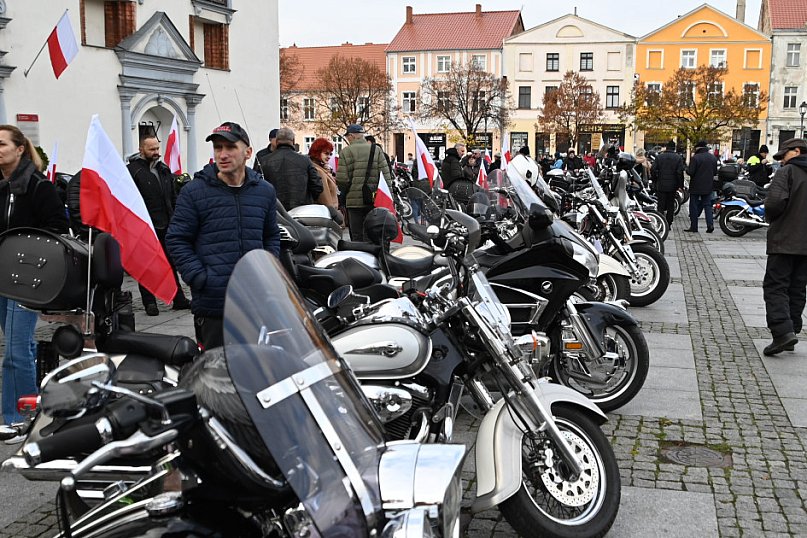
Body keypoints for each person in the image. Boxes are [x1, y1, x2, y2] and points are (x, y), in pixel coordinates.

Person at [166, 122, 280, 350]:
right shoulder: (194, 192)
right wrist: (200, 277)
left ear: (248, 152)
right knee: (216, 367)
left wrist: (266, 269)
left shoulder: (264, 191)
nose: (223, 154)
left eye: (230, 147)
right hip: (214, 304)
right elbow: (177, 239)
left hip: (254, 301)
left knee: (256, 364)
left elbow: (271, 235)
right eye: (218, 148)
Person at [0, 125, 68, 425]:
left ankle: (18, 417)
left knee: (15, 351)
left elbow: (57, 228)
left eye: (2, 144)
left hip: (28, 279)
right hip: (2, 277)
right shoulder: (2, 187)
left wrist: (26, 250)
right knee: (21, 348)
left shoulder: (39, 186)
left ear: (19, 149)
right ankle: (26, 408)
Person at [127, 136, 189, 316]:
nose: (156, 152)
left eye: (157, 148)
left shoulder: (163, 169)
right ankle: (149, 302)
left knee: (170, 263)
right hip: (145, 227)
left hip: (167, 225)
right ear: (141, 149)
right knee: (146, 266)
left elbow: (172, 195)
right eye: (151, 149)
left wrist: (176, 217)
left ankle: (179, 298)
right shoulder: (133, 171)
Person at [761, 138, 807, 355]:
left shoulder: (787, 172)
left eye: (784, 155)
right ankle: (792, 329)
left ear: (796, 151)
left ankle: (782, 332)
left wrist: (772, 219)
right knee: (797, 287)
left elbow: (773, 203)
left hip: (785, 240)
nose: (781, 160)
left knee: (776, 286)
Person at [336, 124, 392, 241]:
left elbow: (342, 179)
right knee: (372, 234)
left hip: (353, 202)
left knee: (357, 234)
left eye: (347, 137)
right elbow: (386, 176)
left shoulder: (345, 152)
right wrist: (389, 196)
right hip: (373, 200)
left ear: (351, 136)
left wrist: (343, 194)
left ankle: (358, 252)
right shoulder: (376, 150)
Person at [259, 127, 322, 210]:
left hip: (274, 210)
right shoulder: (305, 160)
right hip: (301, 210)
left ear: (277, 141)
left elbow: (257, 186)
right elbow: (317, 186)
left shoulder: (264, 161)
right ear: (293, 141)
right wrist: (308, 200)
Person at [686, 140, 718, 233]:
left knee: (694, 206)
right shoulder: (713, 158)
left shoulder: (695, 158)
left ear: (698, 148)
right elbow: (715, 172)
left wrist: (687, 169)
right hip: (708, 185)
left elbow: (691, 172)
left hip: (695, 186)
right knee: (707, 205)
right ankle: (710, 225)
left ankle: (694, 227)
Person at [651, 140, 685, 225]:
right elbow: (680, 172)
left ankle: (660, 222)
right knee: (670, 205)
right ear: (674, 148)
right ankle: (669, 222)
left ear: (666, 147)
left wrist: (655, 180)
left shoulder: (659, 157)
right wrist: (680, 185)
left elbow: (653, 169)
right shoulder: (678, 158)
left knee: (661, 205)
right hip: (672, 185)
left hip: (661, 184)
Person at [307, 137, 341, 221]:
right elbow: (325, 197)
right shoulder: (318, 171)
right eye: (326, 153)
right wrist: (334, 214)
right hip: (328, 214)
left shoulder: (320, 169)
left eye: (330, 154)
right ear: (317, 152)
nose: (329, 157)